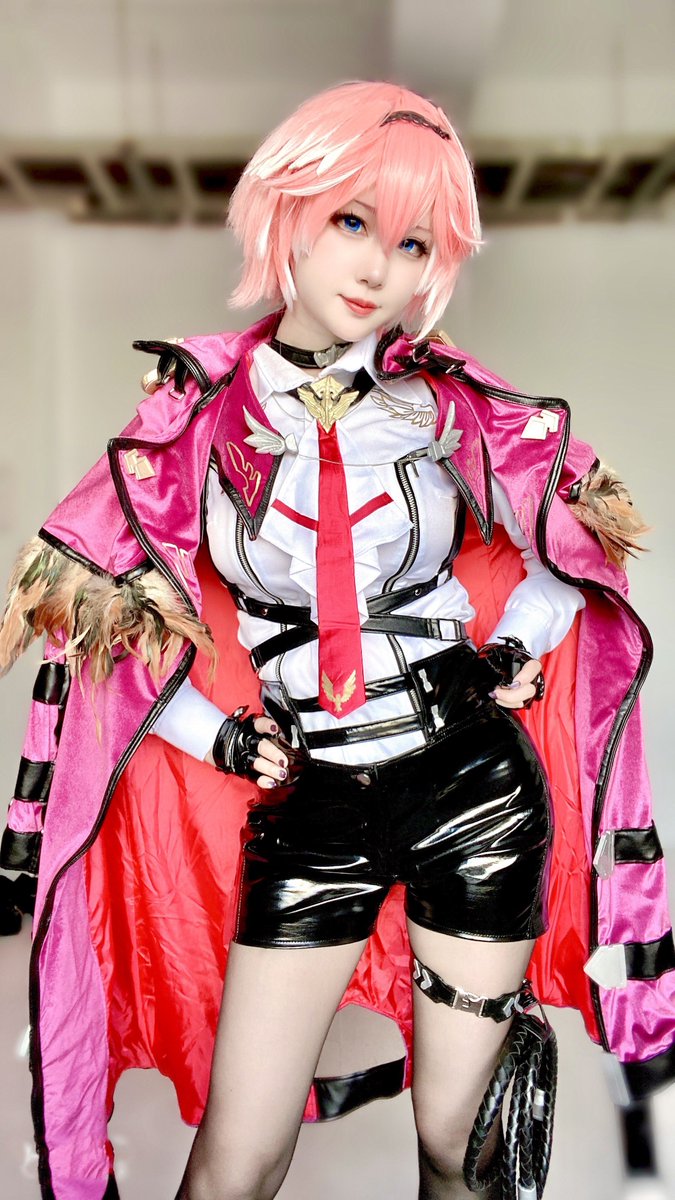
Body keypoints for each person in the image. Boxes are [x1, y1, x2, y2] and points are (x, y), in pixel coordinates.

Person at [0, 80, 672, 1200]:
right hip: (313, 803)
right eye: (353, 222)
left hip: (474, 788)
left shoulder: (447, 405)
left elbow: (573, 548)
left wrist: (514, 648)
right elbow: (114, 634)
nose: (377, 269)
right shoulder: (195, 418)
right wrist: (218, 737)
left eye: (412, 244)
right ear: (289, 209)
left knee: (459, 1152)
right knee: (235, 1162)